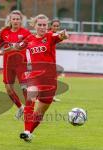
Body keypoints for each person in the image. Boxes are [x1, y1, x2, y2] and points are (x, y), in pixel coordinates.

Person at [17, 14, 68, 142]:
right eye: (39, 25)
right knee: (30, 102)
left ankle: (29, 133)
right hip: (34, 77)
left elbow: (61, 36)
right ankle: (26, 130)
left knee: (40, 113)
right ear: (34, 25)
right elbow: (19, 49)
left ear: (48, 26)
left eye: (44, 25)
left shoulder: (51, 36)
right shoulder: (28, 40)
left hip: (50, 81)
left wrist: (64, 35)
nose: (42, 27)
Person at [0, 10, 31, 119]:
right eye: (13, 19)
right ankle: (21, 108)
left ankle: (29, 111)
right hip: (8, 64)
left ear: (21, 21)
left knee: (24, 89)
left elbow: (31, 45)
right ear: (10, 20)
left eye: (17, 19)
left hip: (21, 64)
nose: (15, 21)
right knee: (9, 89)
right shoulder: (4, 31)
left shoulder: (25, 33)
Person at [49, 19, 62, 102]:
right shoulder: (49, 34)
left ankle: (51, 96)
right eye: (54, 25)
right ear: (50, 26)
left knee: (53, 80)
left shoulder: (54, 35)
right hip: (45, 61)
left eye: (57, 26)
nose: (56, 27)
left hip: (52, 61)